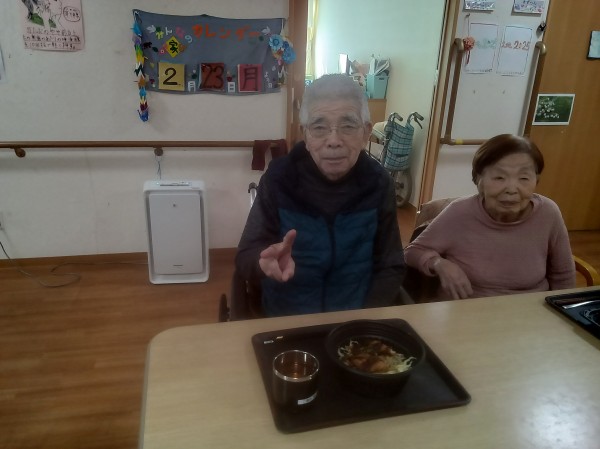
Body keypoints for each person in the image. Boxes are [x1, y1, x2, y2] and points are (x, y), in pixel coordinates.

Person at [235, 74, 406, 317]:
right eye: (319, 127)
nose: (333, 141)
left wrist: (364, 320)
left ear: (366, 132)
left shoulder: (378, 182)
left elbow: (391, 265)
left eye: (348, 126)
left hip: (354, 320)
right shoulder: (279, 179)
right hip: (286, 319)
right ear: (305, 135)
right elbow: (245, 255)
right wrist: (261, 262)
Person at [404, 134, 575, 300]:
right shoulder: (460, 212)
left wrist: (564, 311)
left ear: (536, 180)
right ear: (478, 179)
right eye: (499, 177)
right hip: (468, 309)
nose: (511, 189)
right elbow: (412, 252)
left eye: (524, 178)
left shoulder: (548, 213)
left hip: (531, 310)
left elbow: (563, 274)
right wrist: (439, 264)